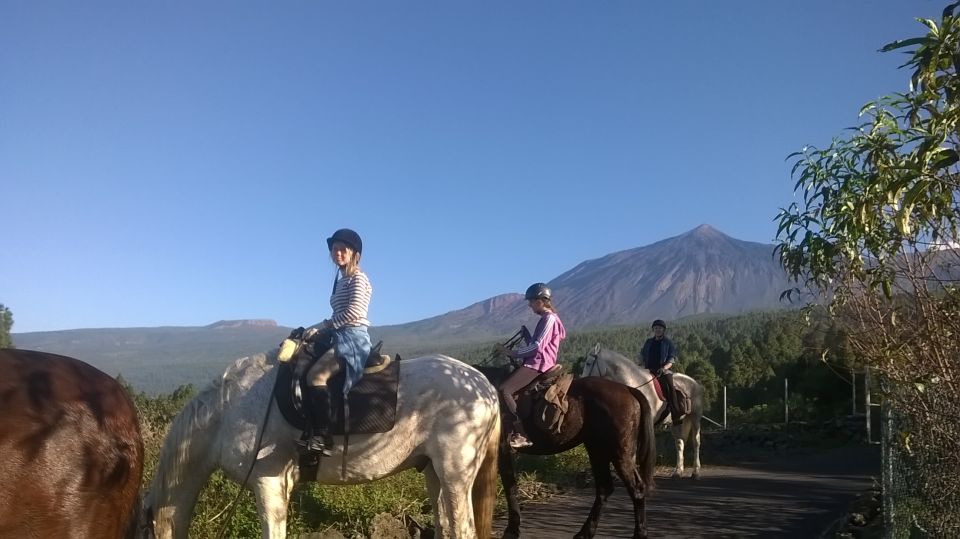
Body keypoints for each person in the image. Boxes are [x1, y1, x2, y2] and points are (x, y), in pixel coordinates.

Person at [298, 228, 374, 457]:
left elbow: (354, 312)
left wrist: (324, 327)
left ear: (354, 254)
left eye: (342, 249)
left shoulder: (358, 279)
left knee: (316, 376)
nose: (337, 253)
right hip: (339, 335)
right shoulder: (342, 281)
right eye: (334, 249)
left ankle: (324, 436)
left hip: (353, 339)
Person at [495, 282, 567, 449]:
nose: (529, 305)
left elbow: (537, 346)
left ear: (541, 300)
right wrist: (526, 335)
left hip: (539, 363)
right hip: (538, 360)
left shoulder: (549, 319)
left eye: (531, 302)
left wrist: (512, 353)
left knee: (505, 390)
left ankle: (521, 433)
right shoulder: (547, 319)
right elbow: (537, 343)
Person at [639, 319, 683, 423]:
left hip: (662, 370)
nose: (658, 330)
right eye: (656, 328)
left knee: (670, 387)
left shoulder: (668, 343)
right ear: (653, 330)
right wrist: (639, 364)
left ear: (663, 330)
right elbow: (642, 355)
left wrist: (664, 368)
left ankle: (675, 413)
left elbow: (671, 359)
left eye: (660, 328)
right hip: (648, 369)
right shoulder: (648, 342)